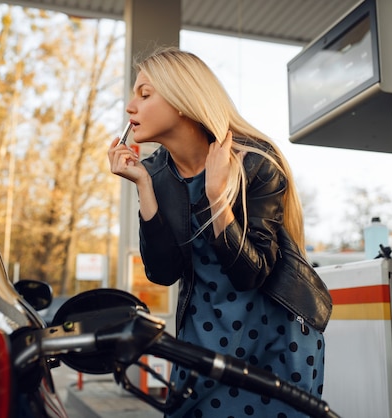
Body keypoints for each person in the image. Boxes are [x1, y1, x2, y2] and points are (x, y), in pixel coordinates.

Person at [108, 47, 332, 418]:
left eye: (144, 94)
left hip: (275, 339)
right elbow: (162, 274)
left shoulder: (255, 162)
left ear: (182, 100)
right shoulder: (157, 174)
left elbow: (251, 274)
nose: (130, 106)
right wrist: (143, 187)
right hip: (202, 336)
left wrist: (217, 198)